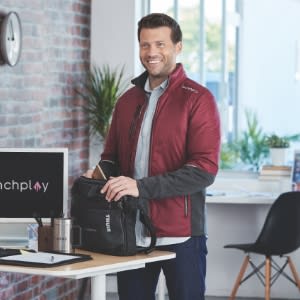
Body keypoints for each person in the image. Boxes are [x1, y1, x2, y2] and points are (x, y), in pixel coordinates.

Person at [86, 13, 221, 300]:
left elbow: (203, 170)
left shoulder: (198, 99)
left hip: (181, 234)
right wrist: (98, 174)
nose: (151, 52)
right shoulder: (126, 101)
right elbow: (112, 158)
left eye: (160, 44)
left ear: (178, 47)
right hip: (130, 232)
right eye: (145, 45)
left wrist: (140, 187)